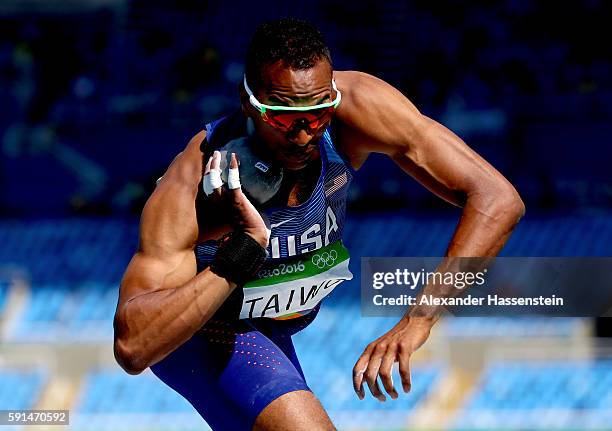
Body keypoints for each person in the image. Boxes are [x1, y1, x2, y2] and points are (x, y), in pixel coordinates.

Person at [113, 18, 524, 431]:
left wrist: (420, 318)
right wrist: (242, 253)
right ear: (248, 101)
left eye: (318, 113)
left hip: (271, 329)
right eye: (283, 116)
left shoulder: (357, 109)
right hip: (208, 329)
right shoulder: (196, 179)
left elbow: (497, 199)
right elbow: (133, 345)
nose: (305, 135)